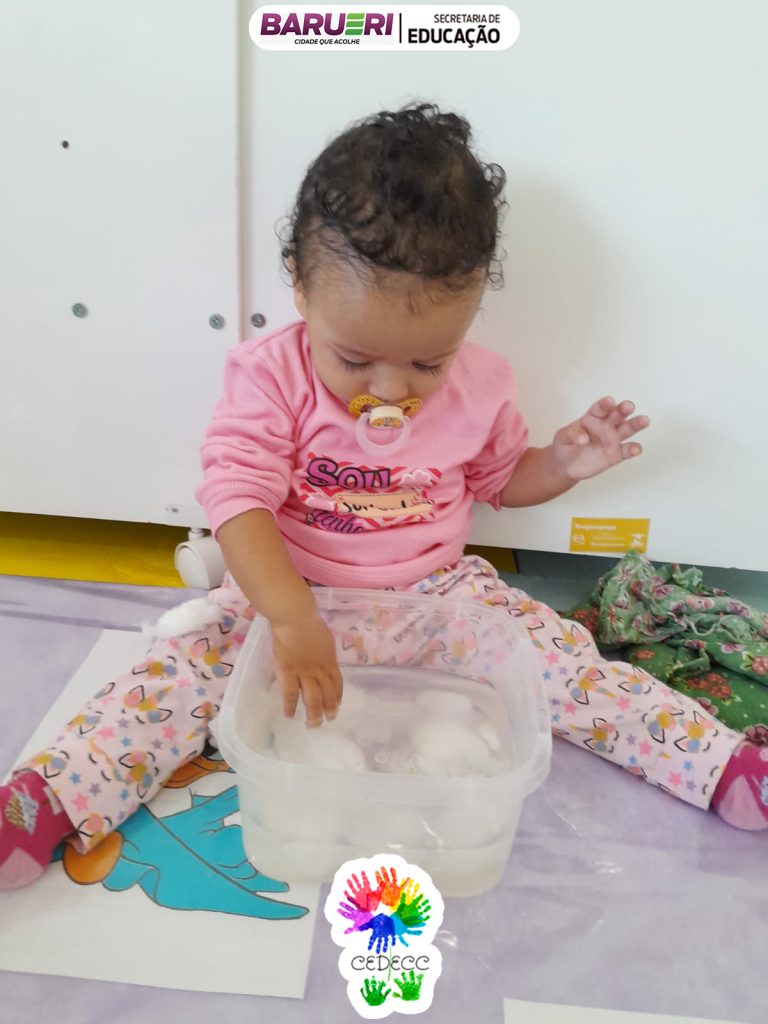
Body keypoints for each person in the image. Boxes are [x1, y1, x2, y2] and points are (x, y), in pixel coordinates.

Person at [2, 104, 765, 892]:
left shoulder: (482, 385)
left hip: (437, 593)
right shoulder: (271, 377)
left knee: (567, 665)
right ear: (301, 288)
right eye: (356, 359)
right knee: (173, 676)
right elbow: (237, 501)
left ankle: (722, 768)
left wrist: (564, 463)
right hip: (289, 593)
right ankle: (46, 804)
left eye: (428, 364)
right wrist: (290, 618)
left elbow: (501, 481)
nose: (393, 391)